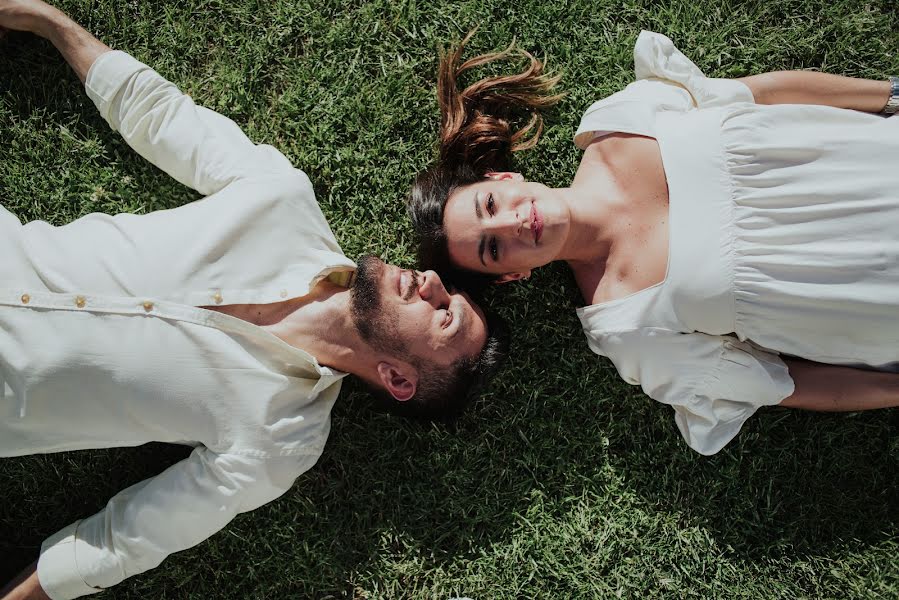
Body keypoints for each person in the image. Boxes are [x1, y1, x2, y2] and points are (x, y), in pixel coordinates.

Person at [0, 2, 509, 599]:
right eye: (446, 286)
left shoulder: (282, 439)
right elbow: (160, 115)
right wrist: (44, 20)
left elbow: (129, 538)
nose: (429, 280)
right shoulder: (284, 203)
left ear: (399, 378)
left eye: (443, 314)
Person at [407, 29, 899, 457]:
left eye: (490, 204)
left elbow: (765, 95)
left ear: (505, 176)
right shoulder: (624, 323)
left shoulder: (620, 123)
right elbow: (785, 383)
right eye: (493, 250)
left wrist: (891, 94)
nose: (512, 223)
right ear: (514, 274)